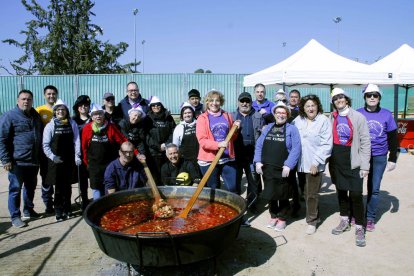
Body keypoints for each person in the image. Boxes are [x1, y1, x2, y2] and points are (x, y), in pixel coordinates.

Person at [329, 88, 371, 247]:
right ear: (333, 102)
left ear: (346, 99)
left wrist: (365, 165)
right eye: (335, 98)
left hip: (353, 160)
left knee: (356, 194)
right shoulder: (331, 117)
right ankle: (344, 220)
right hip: (337, 160)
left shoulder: (358, 117)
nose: (339, 100)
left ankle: (360, 226)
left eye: (341, 97)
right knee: (341, 191)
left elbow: (366, 142)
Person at [357, 84, 398, 232]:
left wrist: (393, 158)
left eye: (375, 95)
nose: (372, 98)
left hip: (379, 156)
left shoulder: (387, 114)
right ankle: (357, 214)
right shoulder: (358, 113)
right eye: (369, 95)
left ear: (379, 97)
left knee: (373, 189)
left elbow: (393, 137)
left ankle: (370, 218)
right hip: (361, 156)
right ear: (365, 97)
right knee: (356, 188)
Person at [254, 101, 301, 232]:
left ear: (288, 114)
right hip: (268, 167)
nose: (280, 115)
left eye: (283, 112)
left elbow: (296, 148)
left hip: (284, 169)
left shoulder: (292, 129)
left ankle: (282, 218)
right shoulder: (268, 127)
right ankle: (273, 215)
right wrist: (258, 161)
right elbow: (259, 145)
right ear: (274, 114)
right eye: (278, 112)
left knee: (283, 194)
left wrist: (288, 165)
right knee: (271, 193)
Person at [0, 90, 43, 228]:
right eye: (23, 99)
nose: (26, 101)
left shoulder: (35, 115)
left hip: (33, 160)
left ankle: (28, 209)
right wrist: (5, 159)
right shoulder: (9, 116)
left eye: (29, 99)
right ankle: (15, 216)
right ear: (18, 100)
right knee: (15, 189)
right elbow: (2, 139)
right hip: (17, 161)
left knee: (30, 188)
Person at [292, 94, 332, 234]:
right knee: (304, 191)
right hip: (300, 164)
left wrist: (316, 162)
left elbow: (326, 144)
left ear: (317, 106)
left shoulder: (323, 120)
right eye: (307, 106)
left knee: (312, 194)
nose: (310, 108)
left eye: (313, 105)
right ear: (303, 108)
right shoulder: (298, 120)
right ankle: (315, 214)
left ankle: (312, 221)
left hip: (314, 164)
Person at [43, 99, 81, 221]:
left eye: (63, 109)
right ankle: (58, 211)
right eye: (58, 109)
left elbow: (76, 140)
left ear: (66, 111)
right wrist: (52, 157)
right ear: (55, 111)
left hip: (69, 160)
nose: (60, 111)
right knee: (58, 188)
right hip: (56, 161)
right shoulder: (50, 125)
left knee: (68, 187)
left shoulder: (72, 123)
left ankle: (68, 209)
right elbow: (45, 144)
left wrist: (77, 155)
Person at [196, 89, 241, 192]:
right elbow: (202, 141)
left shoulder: (227, 115)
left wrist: (235, 129)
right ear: (207, 102)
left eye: (217, 100)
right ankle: (214, 208)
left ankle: (231, 207)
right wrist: (218, 144)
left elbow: (232, 138)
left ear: (221, 102)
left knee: (233, 188)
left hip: (226, 157)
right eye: (211, 100)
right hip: (209, 159)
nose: (214, 103)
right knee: (214, 189)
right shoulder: (202, 118)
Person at [81, 103, 127, 199]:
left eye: (100, 113)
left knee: (110, 186)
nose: (98, 116)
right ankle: (97, 210)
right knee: (96, 189)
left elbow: (122, 141)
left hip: (109, 164)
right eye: (95, 114)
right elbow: (84, 148)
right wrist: (86, 163)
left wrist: (134, 152)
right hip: (94, 166)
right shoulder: (86, 129)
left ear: (104, 115)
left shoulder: (111, 127)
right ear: (92, 116)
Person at [231, 92, 264, 211]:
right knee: (235, 182)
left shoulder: (258, 116)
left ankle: (252, 204)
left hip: (252, 155)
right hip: (236, 156)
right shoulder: (231, 116)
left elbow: (262, 135)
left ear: (251, 102)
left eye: (247, 101)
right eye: (242, 101)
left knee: (253, 181)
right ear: (238, 102)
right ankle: (236, 205)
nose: (245, 103)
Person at [36, 85, 58, 214]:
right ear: (45, 95)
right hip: (44, 152)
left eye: (53, 93)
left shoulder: (60, 109)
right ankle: (48, 203)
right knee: (46, 178)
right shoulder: (39, 110)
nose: (51, 96)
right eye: (49, 94)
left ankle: (59, 202)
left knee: (58, 178)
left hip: (58, 151)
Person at [146, 96, 176, 183]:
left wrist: (166, 144)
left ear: (161, 105)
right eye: (153, 105)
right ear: (151, 107)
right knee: (155, 175)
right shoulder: (148, 119)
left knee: (167, 173)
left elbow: (173, 131)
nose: (156, 107)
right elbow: (146, 136)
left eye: (158, 105)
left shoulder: (168, 117)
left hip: (166, 151)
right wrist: (158, 146)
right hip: (153, 152)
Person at [72, 95, 92, 211]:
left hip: (92, 154)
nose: (83, 107)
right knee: (82, 180)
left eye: (86, 105)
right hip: (80, 154)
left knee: (93, 179)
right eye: (81, 105)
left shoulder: (94, 117)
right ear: (77, 108)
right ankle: (84, 200)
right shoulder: (73, 120)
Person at [173, 102, 199, 168]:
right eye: (185, 113)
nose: (187, 115)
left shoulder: (199, 124)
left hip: (199, 159)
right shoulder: (178, 128)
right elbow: (176, 146)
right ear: (182, 115)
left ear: (193, 113)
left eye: (189, 113)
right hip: (185, 161)